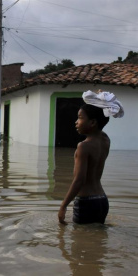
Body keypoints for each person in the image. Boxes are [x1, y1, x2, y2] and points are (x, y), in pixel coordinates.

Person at [58, 89, 124, 224]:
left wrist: (63, 206)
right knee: (97, 239)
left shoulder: (83, 146)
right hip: (102, 200)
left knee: (80, 242)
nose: (76, 122)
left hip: (85, 202)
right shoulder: (106, 140)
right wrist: (100, 103)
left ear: (93, 122)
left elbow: (79, 180)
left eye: (80, 118)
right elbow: (102, 120)